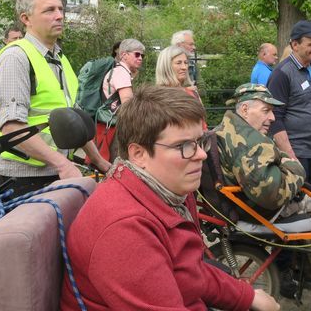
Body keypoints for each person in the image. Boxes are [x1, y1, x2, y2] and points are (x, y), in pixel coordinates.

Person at [60, 86, 280, 311]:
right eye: (184, 146)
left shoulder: (170, 193)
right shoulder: (126, 229)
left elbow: (190, 271)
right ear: (139, 154)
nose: (202, 155)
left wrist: (247, 296)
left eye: (200, 141)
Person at [0, 0, 110, 197]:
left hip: (49, 168)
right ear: (26, 19)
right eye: (49, 10)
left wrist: (99, 160)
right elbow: (12, 127)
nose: (59, 16)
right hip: (19, 174)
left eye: (60, 9)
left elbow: (72, 120)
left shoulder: (58, 59)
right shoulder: (16, 58)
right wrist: (63, 165)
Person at [215, 83, 311, 297]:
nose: (273, 118)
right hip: (259, 211)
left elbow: (272, 164)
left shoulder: (227, 128)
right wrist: (295, 167)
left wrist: (281, 161)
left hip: (242, 203)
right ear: (245, 109)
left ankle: (308, 265)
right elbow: (273, 194)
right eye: (266, 110)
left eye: (272, 111)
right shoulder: (249, 144)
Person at [267, 20, 311, 191]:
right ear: (295, 45)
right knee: (297, 208)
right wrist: (291, 157)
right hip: (297, 155)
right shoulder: (282, 74)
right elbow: (275, 119)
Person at [96, 38, 145, 159]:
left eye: (142, 55)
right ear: (124, 55)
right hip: (115, 129)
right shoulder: (121, 73)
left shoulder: (117, 71)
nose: (140, 58)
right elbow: (128, 105)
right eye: (137, 54)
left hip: (108, 126)